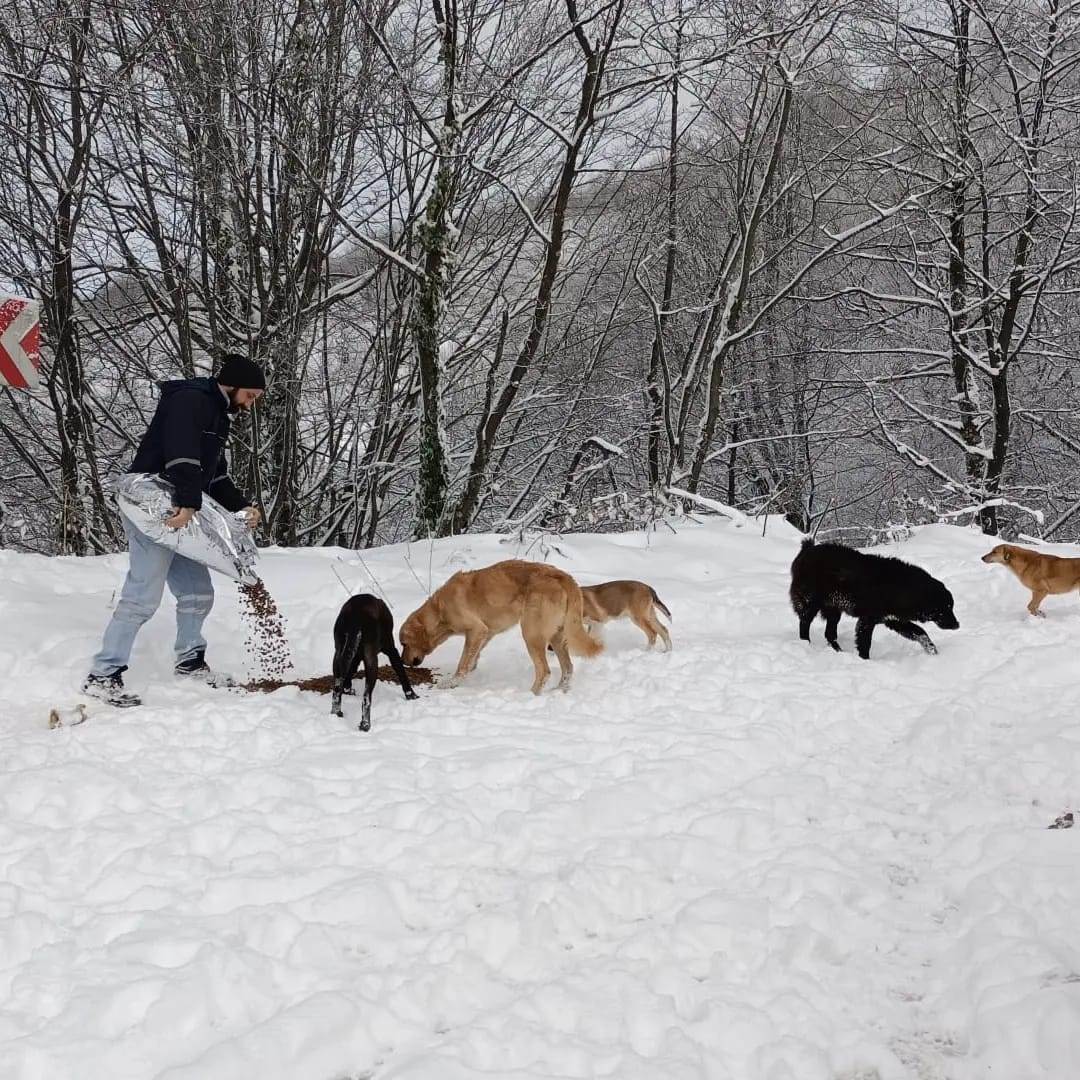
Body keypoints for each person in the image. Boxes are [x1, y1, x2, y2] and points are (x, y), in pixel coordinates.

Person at [83, 354, 266, 707]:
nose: (251, 404)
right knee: (142, 595)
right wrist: (188, 502)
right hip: (151, 504)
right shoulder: (190, 400)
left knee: (197, 592)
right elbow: (181, 454)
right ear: (232, 385)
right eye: (251, 396)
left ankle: (189, 661)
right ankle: (103, 674)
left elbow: (213, 474)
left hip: (179, 505)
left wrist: (241, 505)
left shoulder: (217, 413)